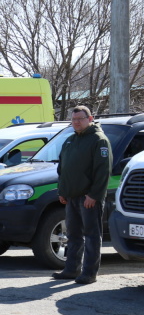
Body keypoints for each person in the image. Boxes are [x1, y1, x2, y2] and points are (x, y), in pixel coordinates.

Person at [52, 106, 113, 285]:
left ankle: (89, 273)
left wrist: (94, 195)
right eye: (74, 119)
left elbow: (103, 171)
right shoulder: (70, 140)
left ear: (90, 118)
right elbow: (62, 168)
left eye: (80, 118)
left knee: (92, 235)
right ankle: (71, 269)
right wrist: (62, 191)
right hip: (71, 197)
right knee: (73, 234)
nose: (76, 122)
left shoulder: (99, 140)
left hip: (88, 199)